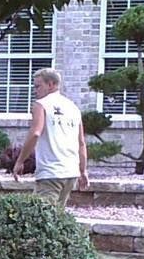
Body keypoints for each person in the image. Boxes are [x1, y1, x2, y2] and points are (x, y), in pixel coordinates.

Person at [12, 67, 89, 209]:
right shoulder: (73, 107)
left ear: (51, 84)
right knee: (57, 218)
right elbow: (81, 143)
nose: (36, 91)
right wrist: (83, 171)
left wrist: (20, 161)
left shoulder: (41, 105)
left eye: (38, 86)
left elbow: (35, 133)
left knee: (41, 220)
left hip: (50, 173)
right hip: (71, 173)